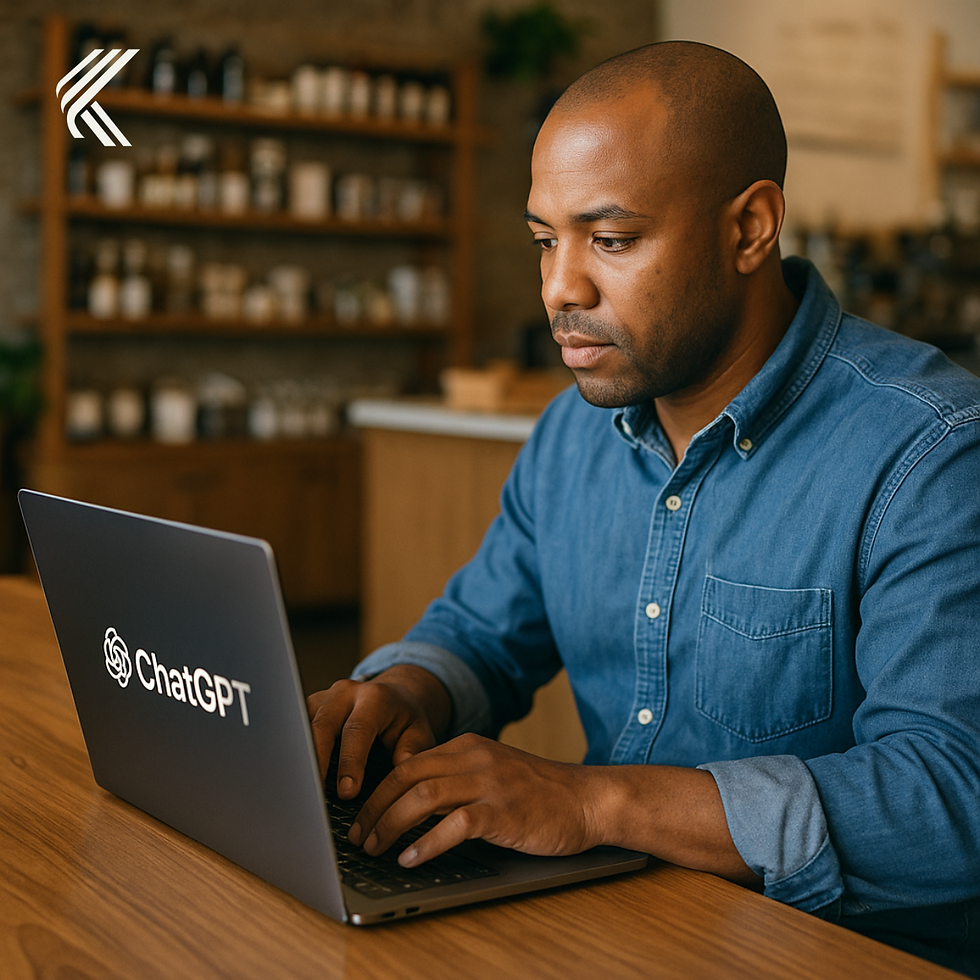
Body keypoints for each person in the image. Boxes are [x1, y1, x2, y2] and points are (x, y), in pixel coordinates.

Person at [307, 42, 980, 974]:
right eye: (546, 240)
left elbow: (952, 800)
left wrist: (598, 804)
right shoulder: (570, 435)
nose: (559, 290)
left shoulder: (928, 450)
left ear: (750, 228)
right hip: (613, 931)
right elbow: (480, 630)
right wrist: (400, 697)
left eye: (610, 241)